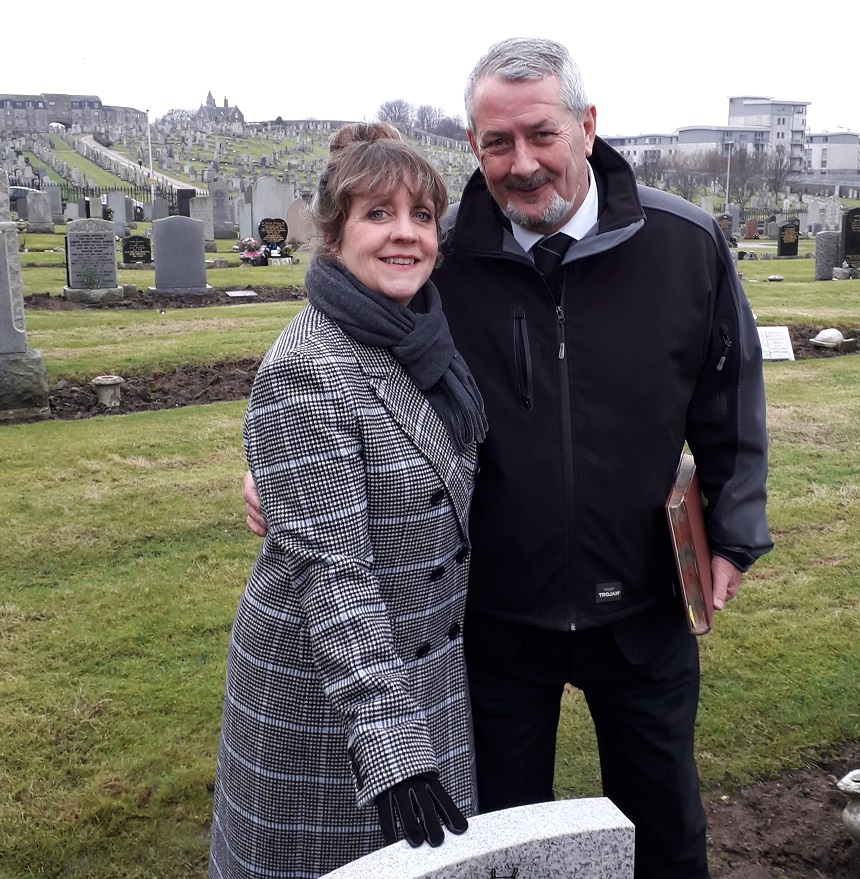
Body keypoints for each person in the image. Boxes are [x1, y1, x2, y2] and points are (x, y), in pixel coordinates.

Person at [245, 38, 771, 879]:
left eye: (541, 134)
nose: (522, 163)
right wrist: (275, 467)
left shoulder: (685, 243)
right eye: (497, 142)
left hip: (642, 605)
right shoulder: (439, 253)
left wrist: (737, 532)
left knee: (665, 826)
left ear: (588, 127)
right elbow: (345, 356)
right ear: (472, 145)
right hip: (494, 616)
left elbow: (729, 394)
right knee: (505, 841)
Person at [212, 123, 486, 879]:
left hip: (428, 668)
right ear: (331, 237)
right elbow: (335, 574)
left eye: (421, 216)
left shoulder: (422, 333)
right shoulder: (306, 369)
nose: (405, 235)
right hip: (327, 699)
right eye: (377, 214)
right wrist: (390, 738)